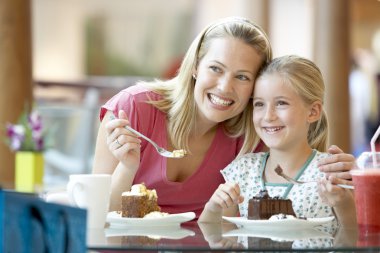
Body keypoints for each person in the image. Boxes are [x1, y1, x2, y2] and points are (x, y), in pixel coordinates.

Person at [92, 17, 355, 217]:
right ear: (195, 66)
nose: (224, 87)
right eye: (216, 69)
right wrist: (127, 168)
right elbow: (97, 216)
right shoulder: (133, 109)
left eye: (242, 76)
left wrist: (343, 174)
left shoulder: (252, 138)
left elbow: (301, 181)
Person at [198, 55, 356, 228]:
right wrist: (213, 208)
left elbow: (354, 238)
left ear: (313, 112)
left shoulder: (332, 175)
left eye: (281, 103)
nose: (268, 116)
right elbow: (213, 234)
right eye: (259, 104)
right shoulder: (243, 171)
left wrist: (344, 204)